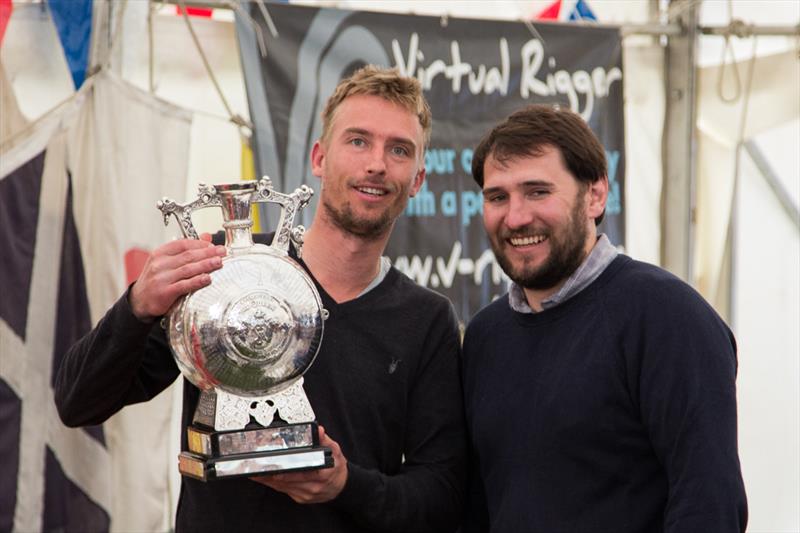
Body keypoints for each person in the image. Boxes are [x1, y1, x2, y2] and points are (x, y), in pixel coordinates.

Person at [54, 66, 466, 533]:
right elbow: (77, 403)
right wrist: (137, 307)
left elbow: (443, 496)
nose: (376, 163)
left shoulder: (426, 319)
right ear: (319, 157)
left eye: (399, 150)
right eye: (358, 141)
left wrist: (346, 485)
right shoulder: (224, 274)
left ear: (417, 179)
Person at [461, 104, 747, 532]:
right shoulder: (485, 337)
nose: (516, 217)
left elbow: (710, 504)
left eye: (538, 191)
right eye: (497, 197)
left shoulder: (668, 317)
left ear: (595, 195)